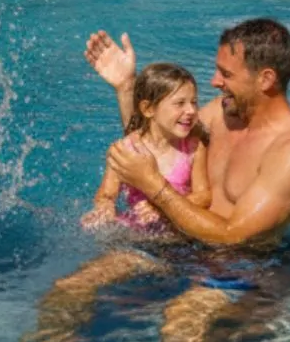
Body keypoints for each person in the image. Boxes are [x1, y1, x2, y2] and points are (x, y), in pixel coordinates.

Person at [13, 20, 290, 342]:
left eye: (226, 74)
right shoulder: (221, 115)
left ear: (266, 79)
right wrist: (126, 89)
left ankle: (265, 324)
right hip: (173, 243)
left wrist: (155, 189)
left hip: (239, 265)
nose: (215, 82)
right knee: (70, 289)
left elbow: (234, 234)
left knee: (180, 338)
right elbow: (152, 144)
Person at [83, 63, 209, 235]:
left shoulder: (193, 148)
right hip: (136, 232)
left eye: (194, 102)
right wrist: (105, 207)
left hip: (176, 234)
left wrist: (163, 208)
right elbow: (106, 194)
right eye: (180, 103)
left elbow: (204, 196)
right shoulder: (125, 150)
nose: (191, 110)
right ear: (148, 109)